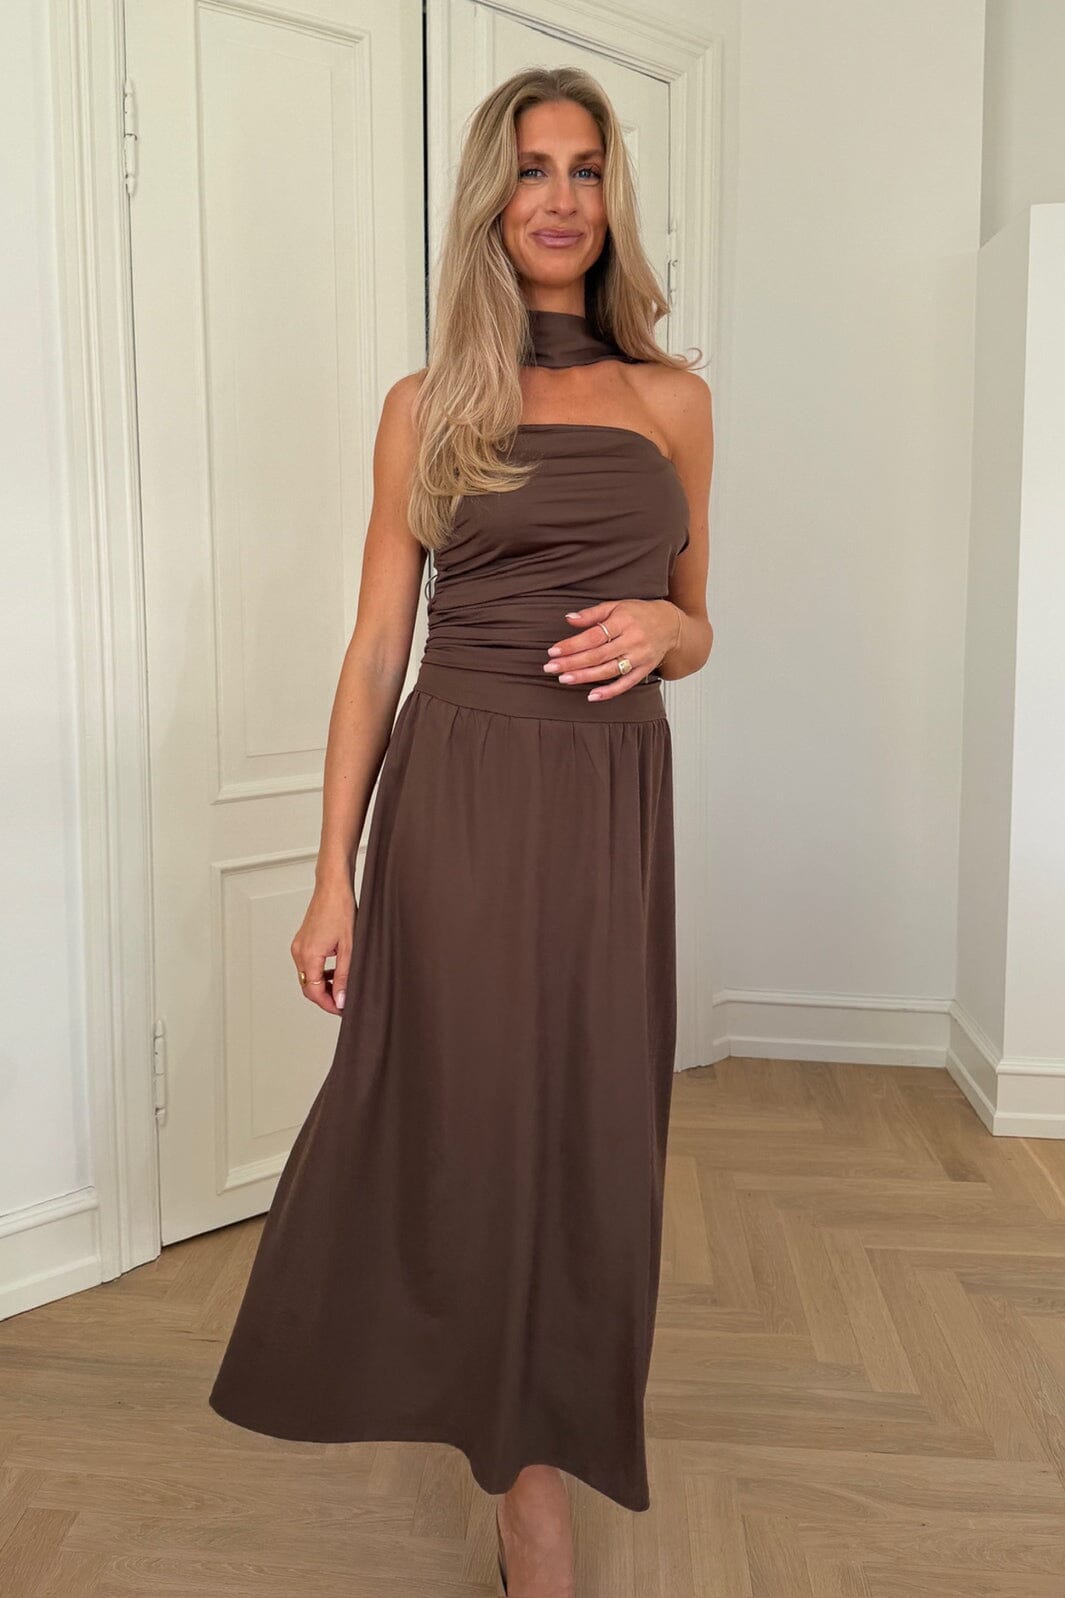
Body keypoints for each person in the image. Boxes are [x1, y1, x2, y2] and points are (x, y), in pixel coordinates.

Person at [208, 64, 714, 1598]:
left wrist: (666, 630)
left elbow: (699, 623)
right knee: (473, 1127)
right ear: (491, 201)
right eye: (531, 168)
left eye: (584, 168)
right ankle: (524, 1493)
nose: (559, 196)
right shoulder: (425, 406)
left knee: (592, 1140)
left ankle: (542, 1419)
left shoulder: (674, 401)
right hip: (465, 803)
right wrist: (330, 878)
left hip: (611, 808)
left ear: (611, 197)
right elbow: (377, 649)